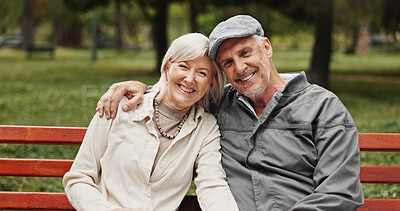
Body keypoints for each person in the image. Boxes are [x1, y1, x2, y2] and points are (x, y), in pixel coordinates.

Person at [96, 15, 364, 210]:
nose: (240, 68)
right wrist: (143, 88)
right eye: (227, 62)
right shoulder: (219, 103)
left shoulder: (323, 108)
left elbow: (340, 192)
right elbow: (180, 91)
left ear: (267, 48)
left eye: (245, 52)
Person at [63, 33, 238, 211]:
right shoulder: (119, 105)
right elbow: (79, 177)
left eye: (202, 73)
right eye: (183, 66)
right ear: (168, 67)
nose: (190, 79)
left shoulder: (206, 128)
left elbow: (212, 186)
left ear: (210, 83)